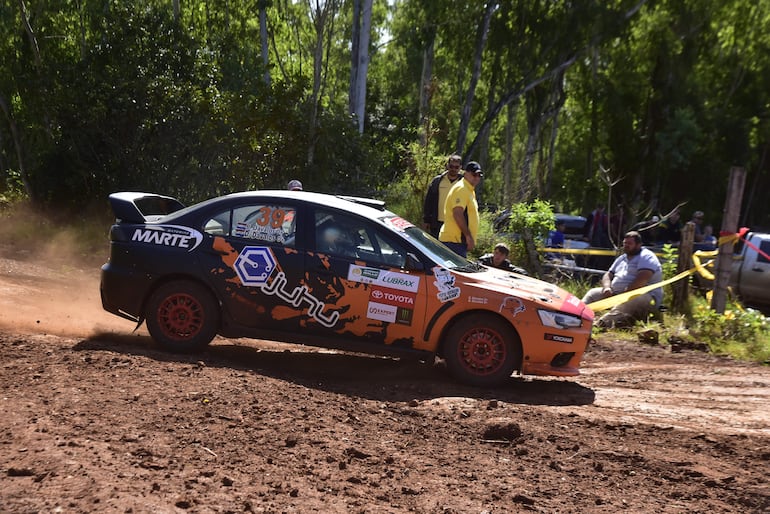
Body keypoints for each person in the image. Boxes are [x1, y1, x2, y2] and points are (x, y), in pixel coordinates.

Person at [582, 231, 663, 329]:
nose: (626, 246)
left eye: (629, 244)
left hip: (644, 297)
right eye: (625, 243)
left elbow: (643, 278)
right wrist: (607, 288)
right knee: (593, 293)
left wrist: (624, 295)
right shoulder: (622, 258)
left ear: (639, 245)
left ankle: (601, 325)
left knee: (632, 298)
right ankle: (577, 315)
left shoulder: (647, 256)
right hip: (618, 294)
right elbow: (608, 274)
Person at [438, 161, 483, 258]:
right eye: (474, 174)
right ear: (465, 173)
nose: (477, 177)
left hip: (458, 243)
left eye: (479, 175)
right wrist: (468, 236)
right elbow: (457, 214)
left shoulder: (469, 190)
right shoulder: (461, 189)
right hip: (453, 242)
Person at [423, 154, 464, 238]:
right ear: (447, 166)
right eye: (451, 166)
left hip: (455, 224)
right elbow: (428, 201)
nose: (453, 169)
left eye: (456, 167)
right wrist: (426, 220)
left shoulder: (464, 183)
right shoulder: (437, 181)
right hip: (437, 223)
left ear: (460, 167)